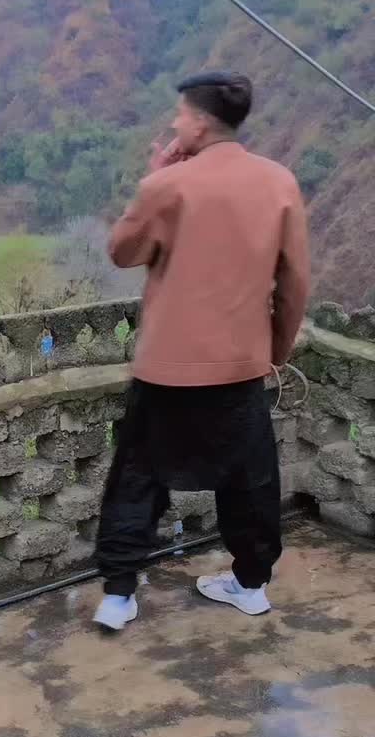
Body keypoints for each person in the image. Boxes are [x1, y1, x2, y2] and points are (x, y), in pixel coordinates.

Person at [94, 70, 310, 631]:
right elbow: (293, 283)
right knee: (250, 479)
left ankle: (118, 595)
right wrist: (274, 351)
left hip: (165, 368)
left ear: (199, 121)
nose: (174, 123)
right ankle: (251, 586)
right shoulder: (279, 182)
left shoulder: (168, 186)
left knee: (138, 477)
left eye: (180, 114)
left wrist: (155, 178)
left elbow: (122, 252)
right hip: (239, 366)